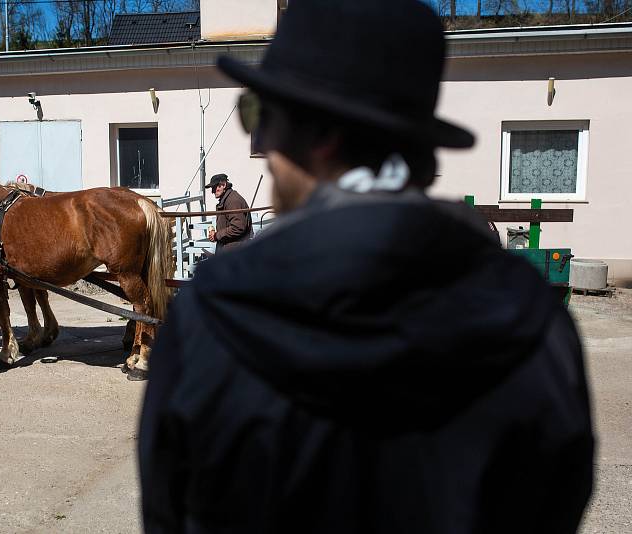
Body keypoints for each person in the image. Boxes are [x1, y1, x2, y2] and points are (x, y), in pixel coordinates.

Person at [139, 1, 594, 533]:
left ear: (322, 136)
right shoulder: (533, 317)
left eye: (262, 121)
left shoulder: (208, 320)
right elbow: (558, 502)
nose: (261, 147)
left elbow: (167, 513)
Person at [205, 173, 253, 251]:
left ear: (223, 185)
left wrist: (217, 235)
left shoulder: (233, 201)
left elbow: (237, 227)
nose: (212, 191)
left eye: (214, 187)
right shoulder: (227, 199)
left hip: (234, 252)